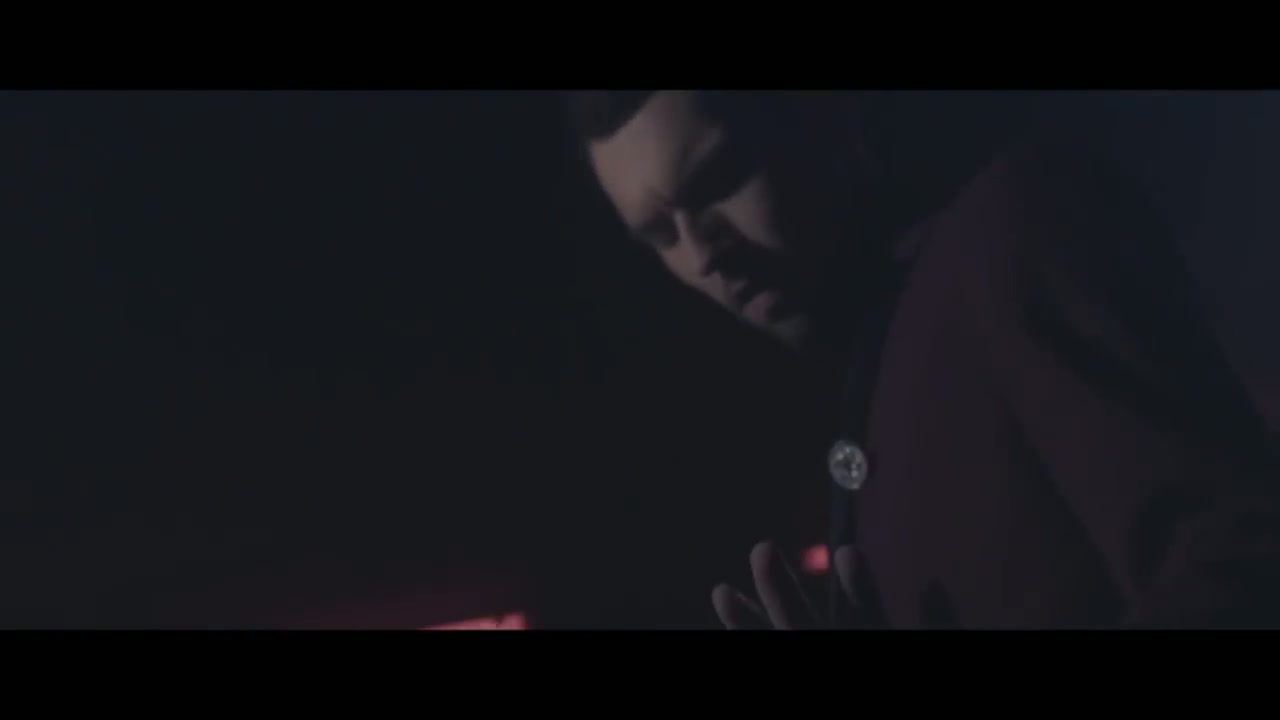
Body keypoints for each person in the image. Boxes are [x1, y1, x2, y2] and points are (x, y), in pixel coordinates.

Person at [562, 90, 1280, 629]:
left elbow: (1242, 561)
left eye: (718, 178)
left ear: (821, 114)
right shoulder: (871, 377)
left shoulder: (1008, 232)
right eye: (659, 234)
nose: (701, 254)